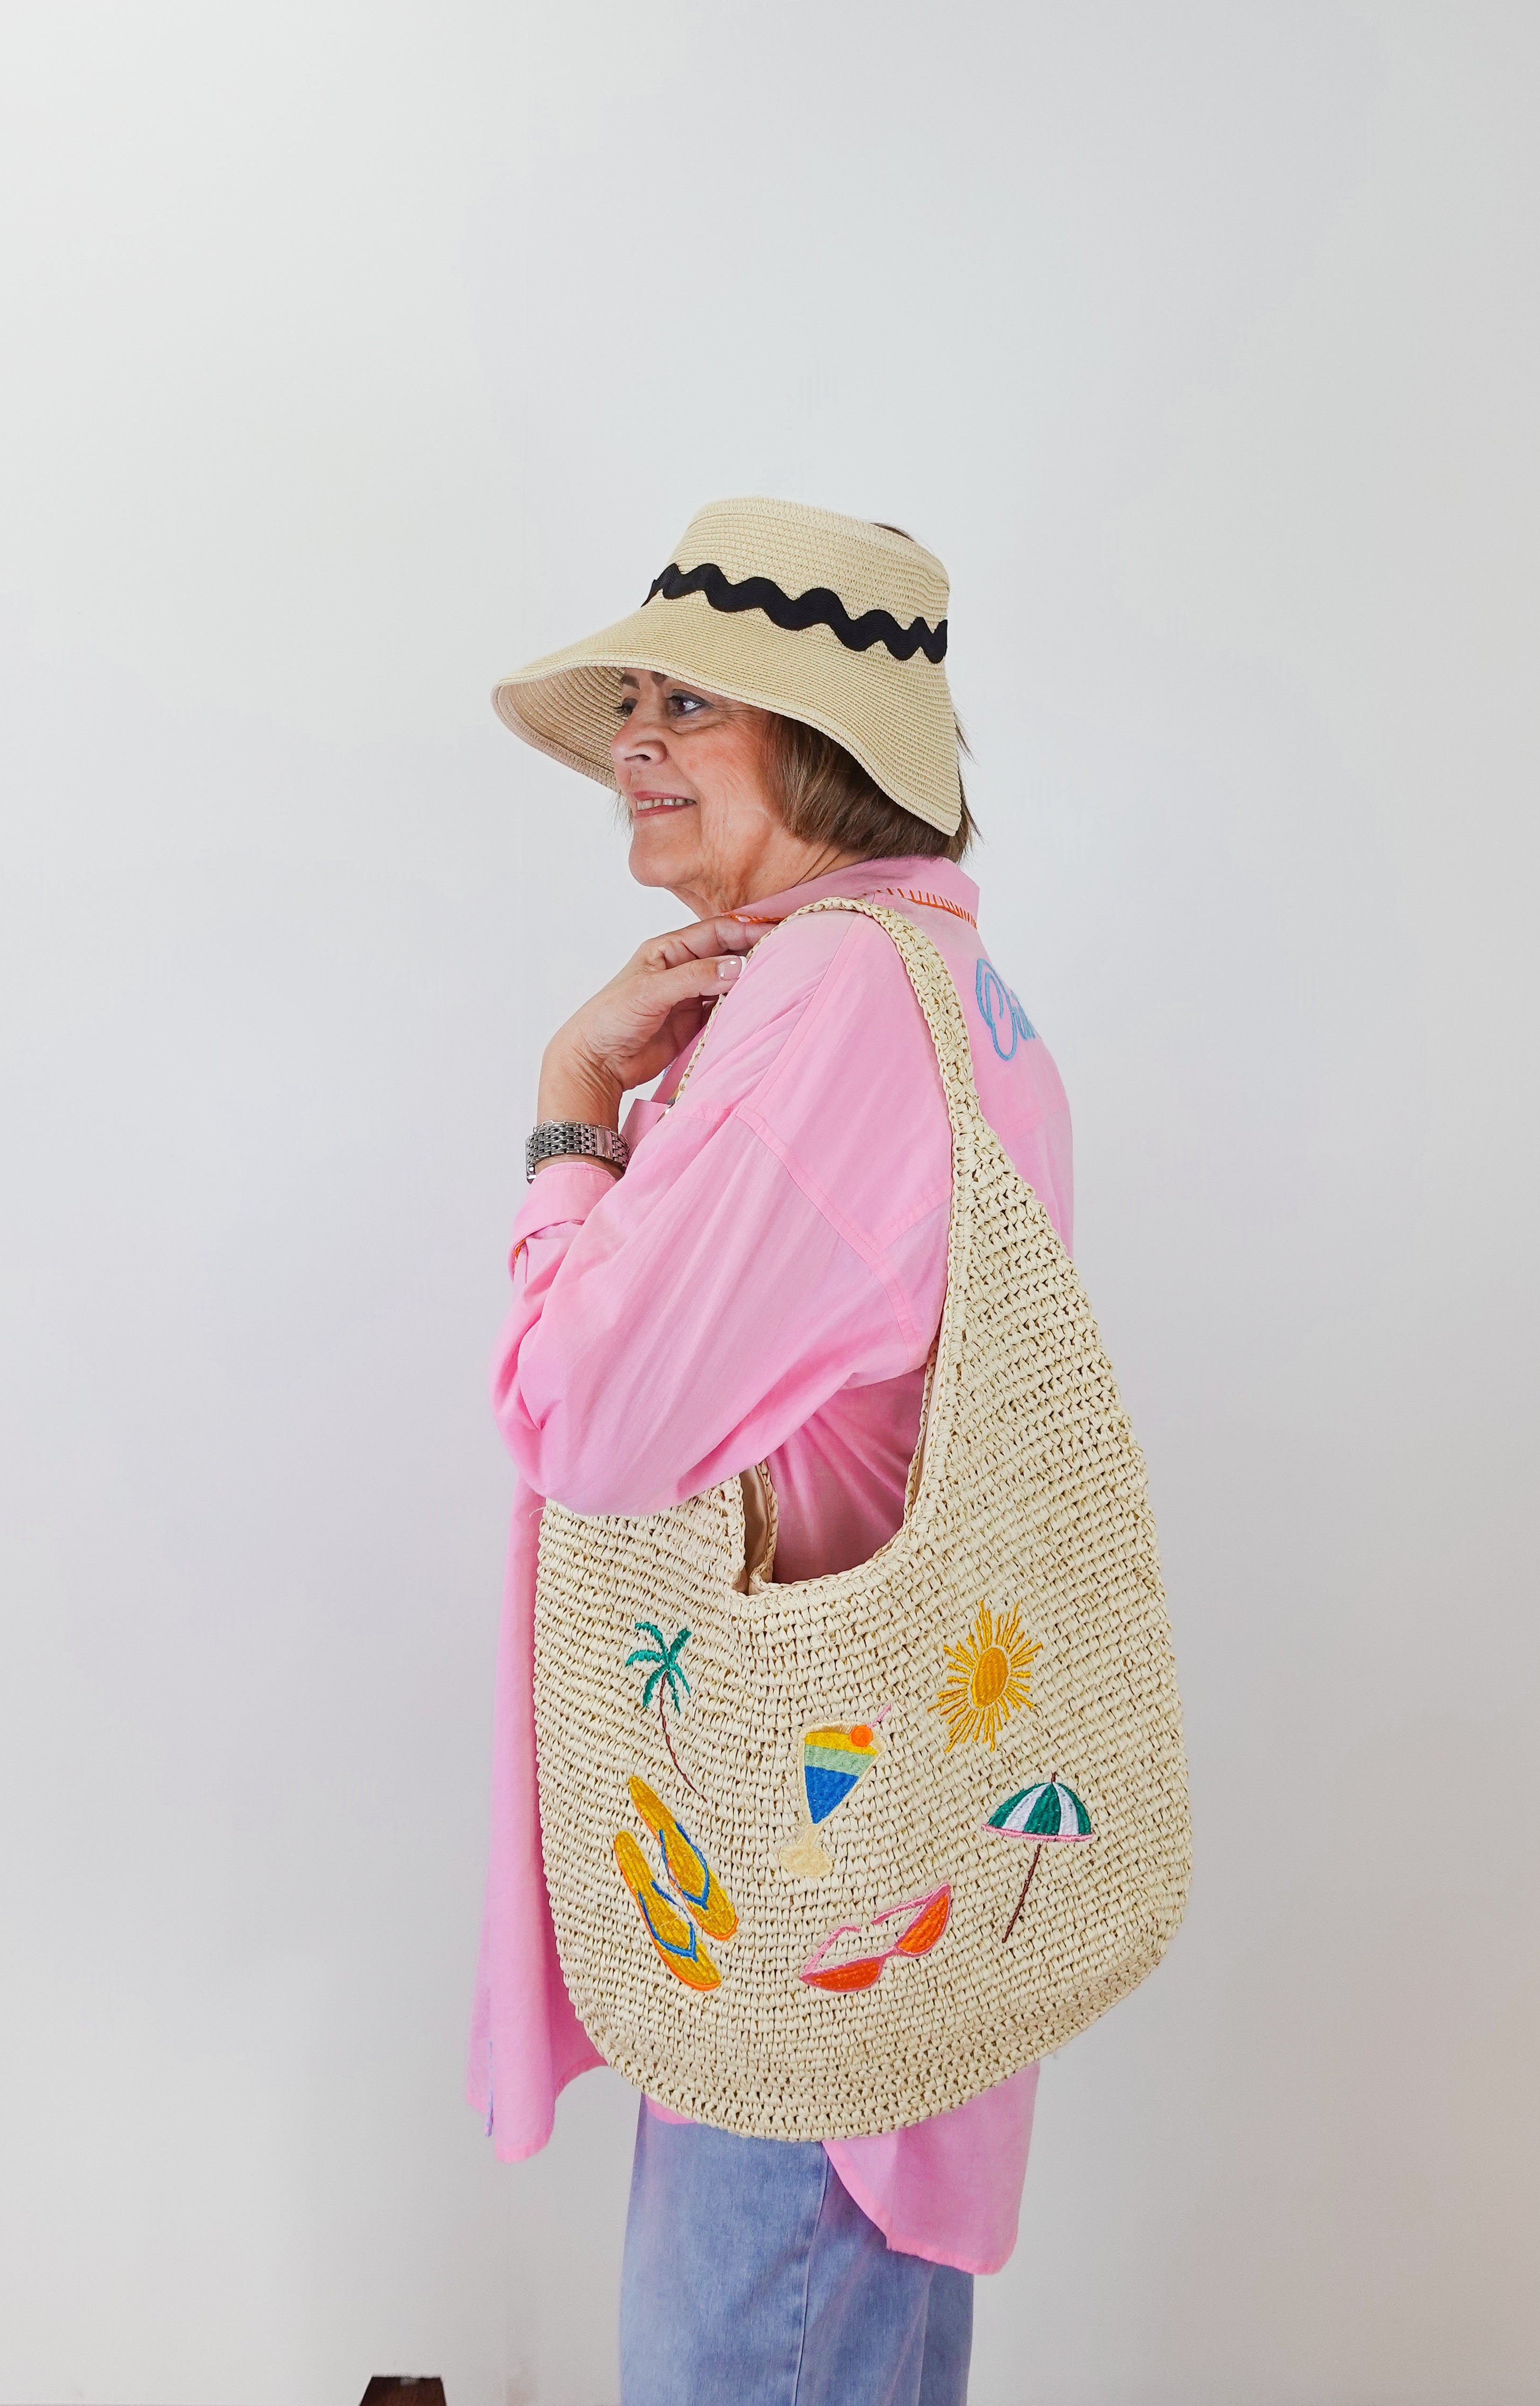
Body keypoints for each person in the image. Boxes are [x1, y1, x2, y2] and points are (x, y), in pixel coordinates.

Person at [473, 499, 1072, 2405]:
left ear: (827, 750)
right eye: (632, 701)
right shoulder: (962, 999)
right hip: (876, 1857)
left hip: (788, 1891)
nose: (635, 741)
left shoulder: (827, 1002)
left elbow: (594, 1419)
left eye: (692, 705)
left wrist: (575, 1116)